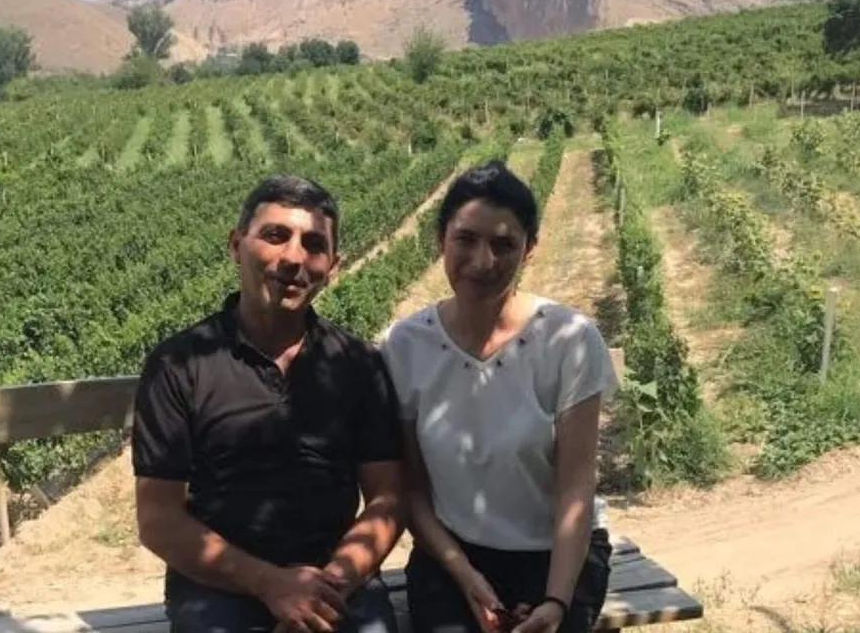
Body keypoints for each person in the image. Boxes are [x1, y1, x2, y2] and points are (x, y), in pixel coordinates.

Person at [132, 175, 405, 633]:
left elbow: (388, 498)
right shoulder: (180, 365)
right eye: (275, 235)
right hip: (219, 587)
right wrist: (272, 585)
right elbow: (158, 519)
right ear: (236, 245)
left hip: (336, 580)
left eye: (314, 244)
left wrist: (326, 587)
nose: (294, 258)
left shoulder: (356, 363)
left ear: (332, 264)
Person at [377, 160, 619, 633]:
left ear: (530, 249)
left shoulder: (569, 341)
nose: (483, 261)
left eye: (504, 244)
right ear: (440, 240)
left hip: (559, 554)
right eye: (465, 239)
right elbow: (414, 491)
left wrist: (555, 601)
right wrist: (465, 575)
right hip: (454, 554)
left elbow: (575, 488)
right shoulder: (405, 347)